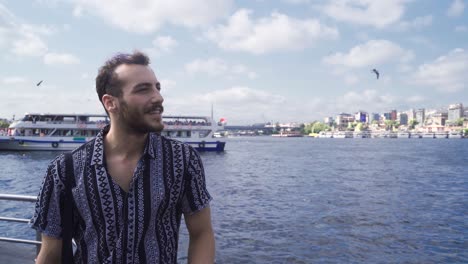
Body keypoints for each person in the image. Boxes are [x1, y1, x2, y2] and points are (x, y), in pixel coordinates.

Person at [30, 51, 215, 263]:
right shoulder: (65, 169)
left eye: (157, 87)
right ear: (110, 103)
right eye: (143, 90)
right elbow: (51, 253)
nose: (158, 97)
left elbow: (201, 233)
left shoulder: (182, 159)